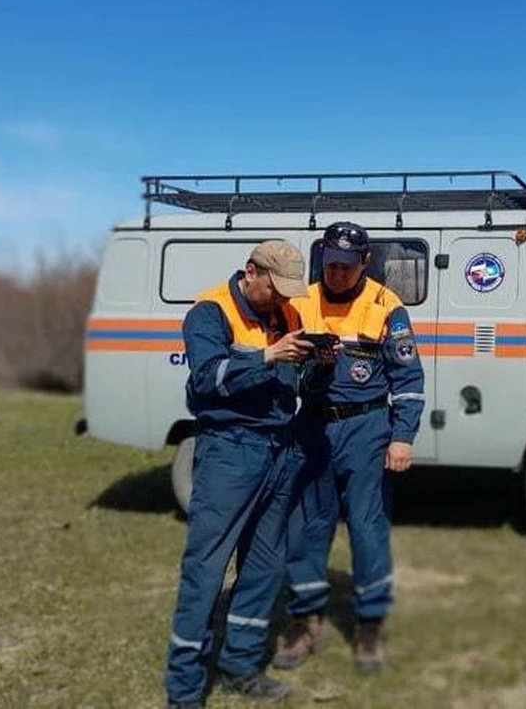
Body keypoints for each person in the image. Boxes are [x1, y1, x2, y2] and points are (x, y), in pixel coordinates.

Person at [164, 240, 316, 709]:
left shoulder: (287, 315)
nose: (284, 300)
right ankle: (185, 691)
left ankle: (240, 666)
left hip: (279, 447)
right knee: (206, 571)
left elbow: (292, 382)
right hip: (230, 451)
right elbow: (209, 377)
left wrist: (315, 363)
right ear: (251, 272)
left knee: (265, 567)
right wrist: (270, 357)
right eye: (276, 288)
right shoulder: (210, 312)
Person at [273, 221, 426, 674]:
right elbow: (285, 371)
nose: (337, 273)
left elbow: (409, 377)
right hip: (312, 428)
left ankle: (370, 628)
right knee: (307, 529)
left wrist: (402, 435)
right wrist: (314, 370)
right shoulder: (300, 301)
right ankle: (305, 621)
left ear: (365, 262)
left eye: (346, 266)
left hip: (366, 429)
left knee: (367, 529)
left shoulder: (386, 305)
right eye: (330, 264)